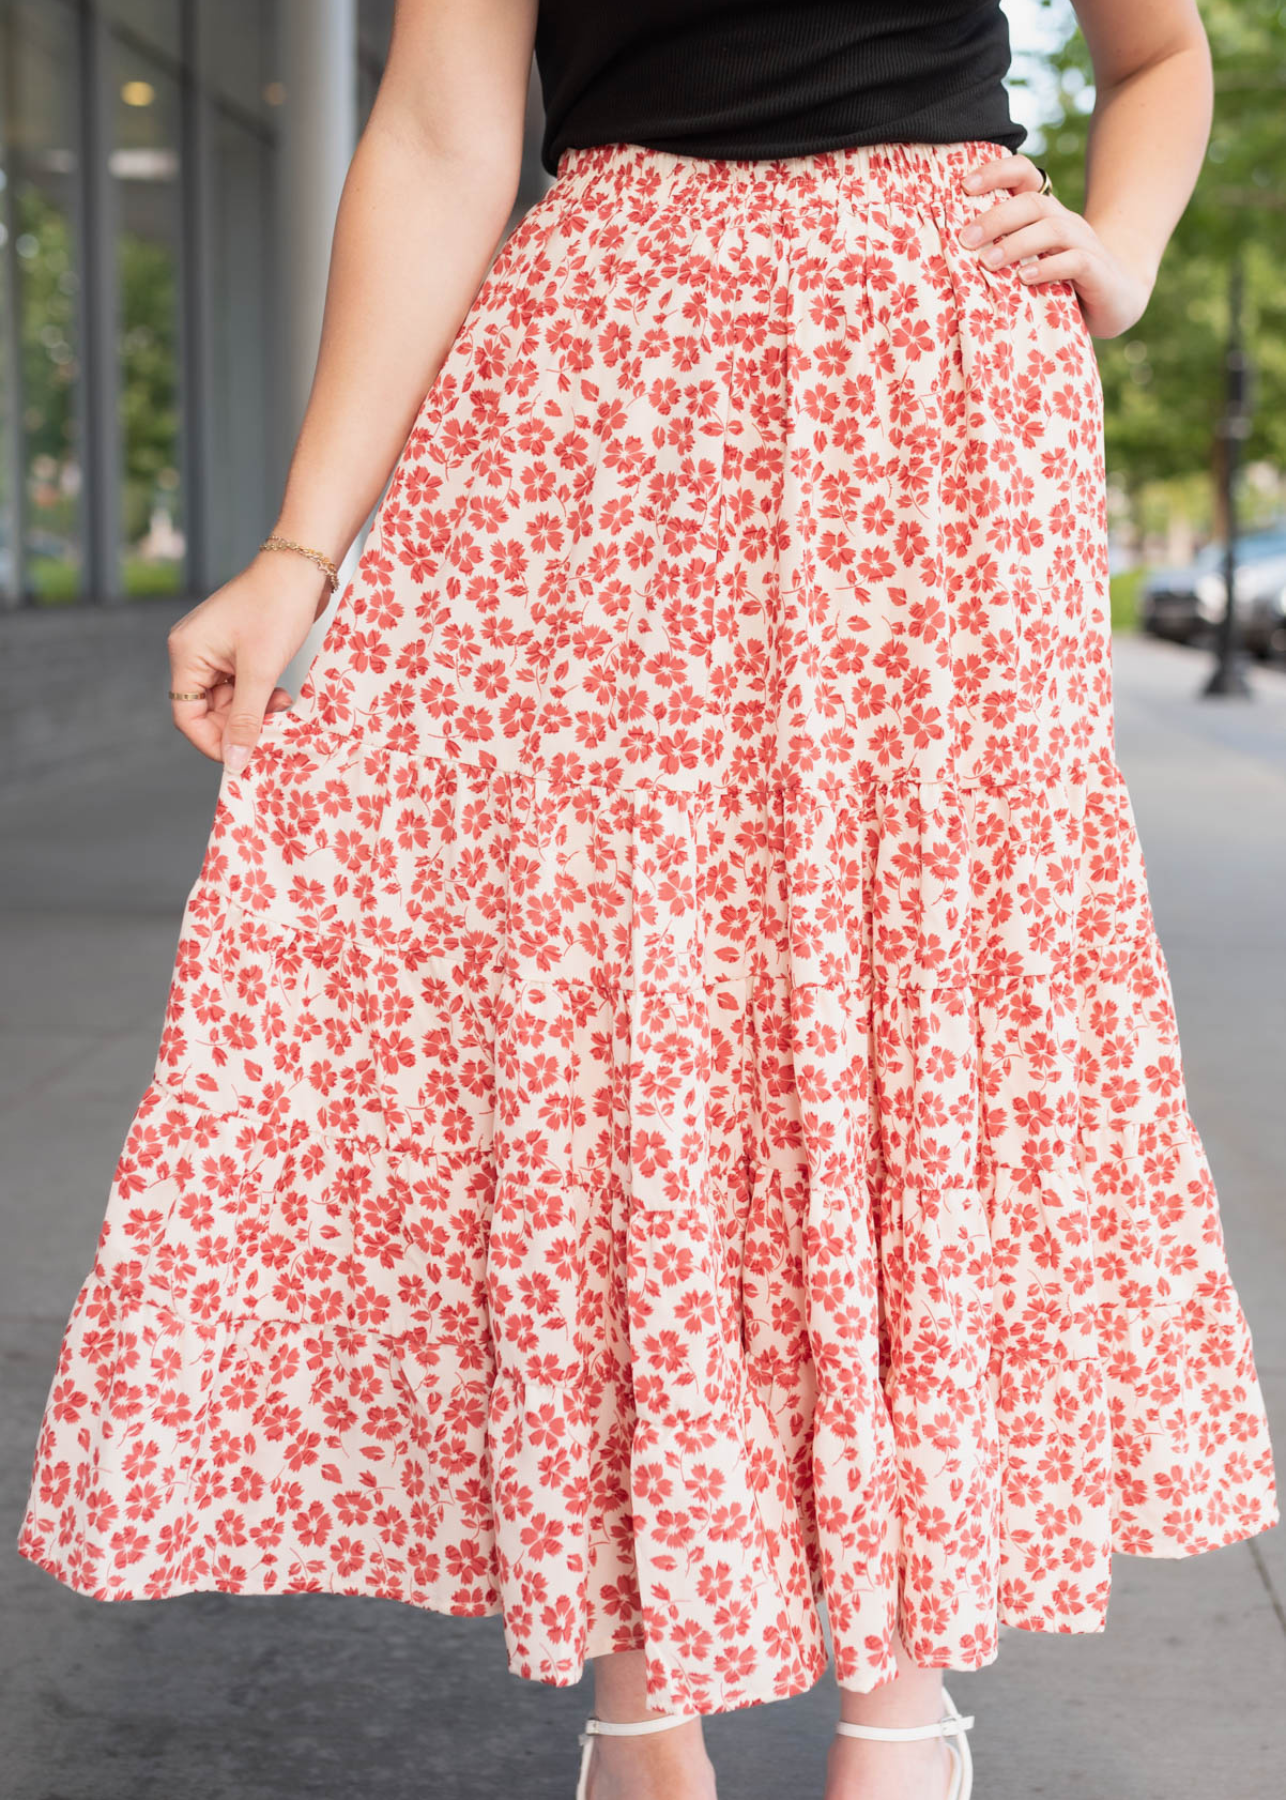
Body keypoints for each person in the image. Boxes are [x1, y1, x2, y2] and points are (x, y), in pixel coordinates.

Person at [19, 3, 1278, 1798]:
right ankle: (641, 1705)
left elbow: (1159, 52)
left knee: (906, 986)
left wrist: (1125, 258)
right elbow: (448, 134)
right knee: (614, 997)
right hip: (607, 369)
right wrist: (299, 554)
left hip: (931, 379)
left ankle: (898, 1704)